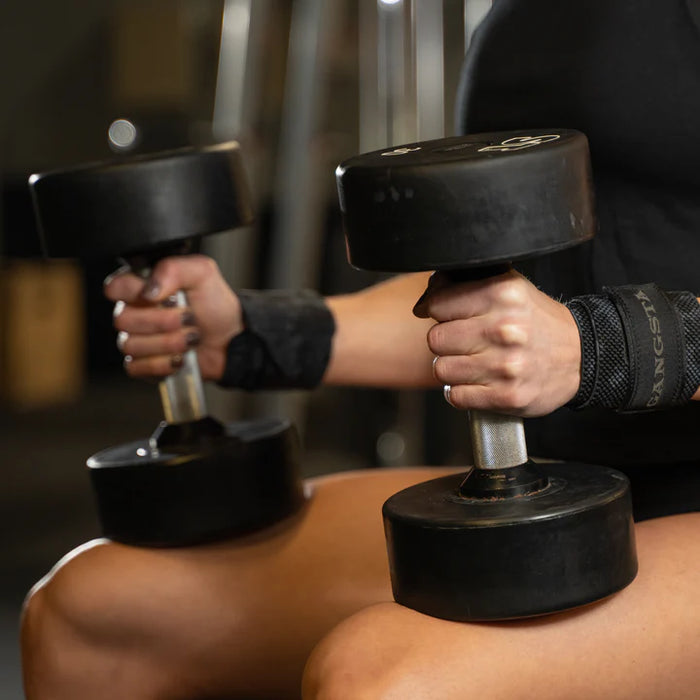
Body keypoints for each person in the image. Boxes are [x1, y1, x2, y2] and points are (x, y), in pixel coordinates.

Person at [20, 0, 700, 698]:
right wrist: (256, 332)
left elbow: (565, 334)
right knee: (90, 610)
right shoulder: (528, 18)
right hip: (565, 487)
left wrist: (604, 346)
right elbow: (501, 305)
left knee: (383, 679)